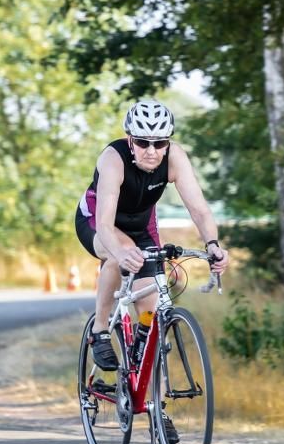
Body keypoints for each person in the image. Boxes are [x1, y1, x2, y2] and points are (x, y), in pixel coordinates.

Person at [75, 99, 230, 372]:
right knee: (117, 255)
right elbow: (105, 222)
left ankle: (149, 396)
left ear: (167, 143)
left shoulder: (175, 158)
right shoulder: (113, 159)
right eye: (143, 142)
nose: (151, 151)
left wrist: (213, 244)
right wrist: (122, 252)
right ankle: (100, 330)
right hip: (97, 221)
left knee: (150, 310)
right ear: (129, 140)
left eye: (159, 143)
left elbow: (199, 209)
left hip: (142, 226)